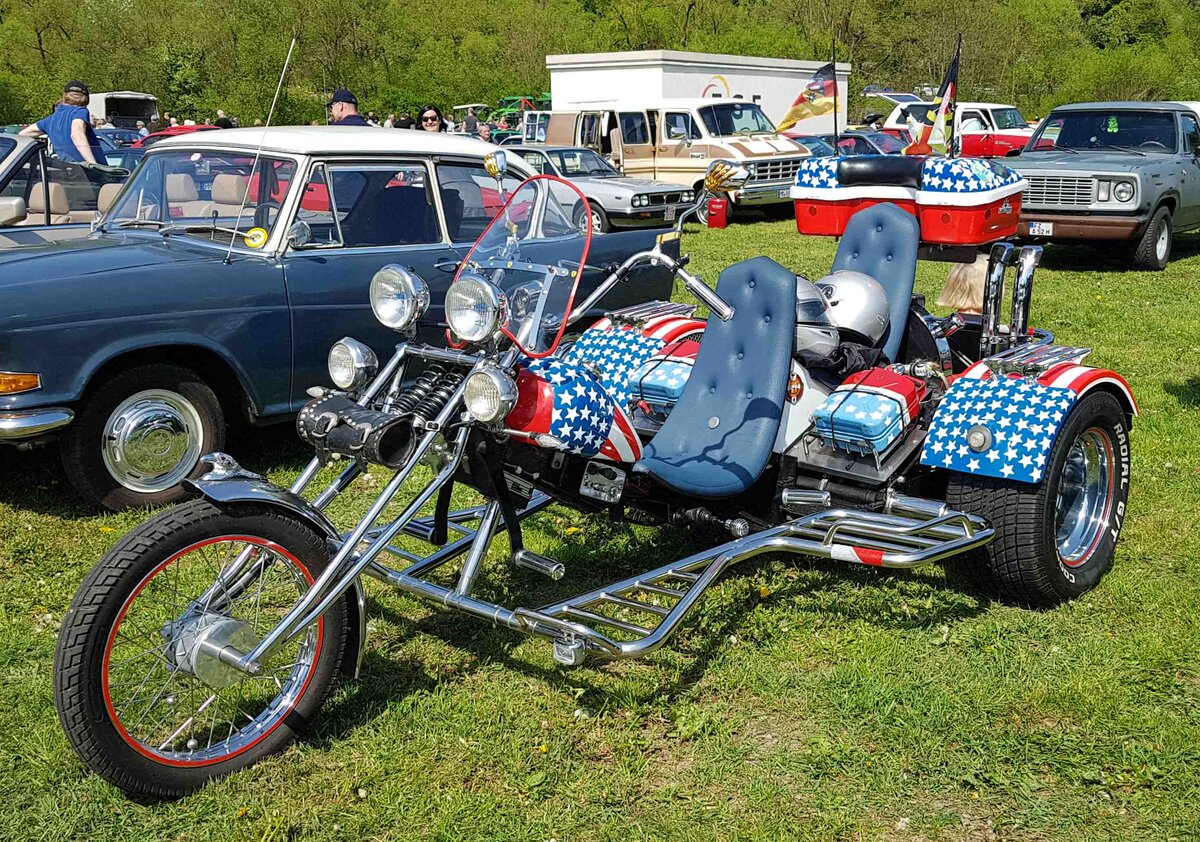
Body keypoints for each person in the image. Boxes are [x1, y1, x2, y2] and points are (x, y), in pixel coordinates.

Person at [19, 80, 103, 164]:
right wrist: (93, 164)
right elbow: (77, 134)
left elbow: (23, 134)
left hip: (67, 169)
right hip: (87, 172)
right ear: (86, 98)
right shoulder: (80, 111)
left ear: (65, 96)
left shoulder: (52, 118)